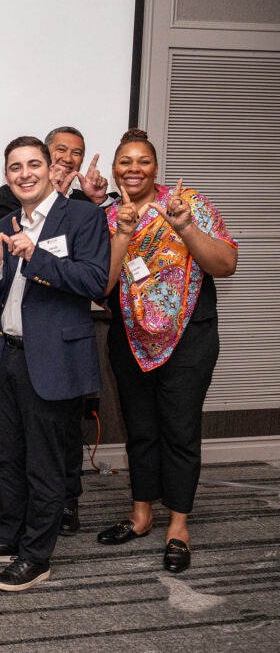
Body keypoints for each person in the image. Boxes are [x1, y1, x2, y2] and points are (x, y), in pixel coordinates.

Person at [0, 136, 109, 592]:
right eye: (14, 167)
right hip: (5, 354)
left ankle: (36, 555)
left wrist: (34, 253)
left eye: (32, 165)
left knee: (44, 465)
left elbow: (95, 280)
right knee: (6, 458)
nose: (24, 174)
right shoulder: (5, 222)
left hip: (53, 360)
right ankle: (9, 537)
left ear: (50, 170)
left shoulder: (82, 216)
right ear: (7, 176)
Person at [96, 129, 237, 573]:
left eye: (142, 160)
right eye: (125, 161)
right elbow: (101, 286)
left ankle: (179, 525)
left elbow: (226, 264)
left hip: (189, 339)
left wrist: (184, 228)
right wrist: (121, 234)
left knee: (179, 429)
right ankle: (141, 515)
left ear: (156, 167)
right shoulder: (105, 216)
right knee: (139, 427)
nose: (133, 168)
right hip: (130, 338)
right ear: (115, 168)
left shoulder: (188, 203)